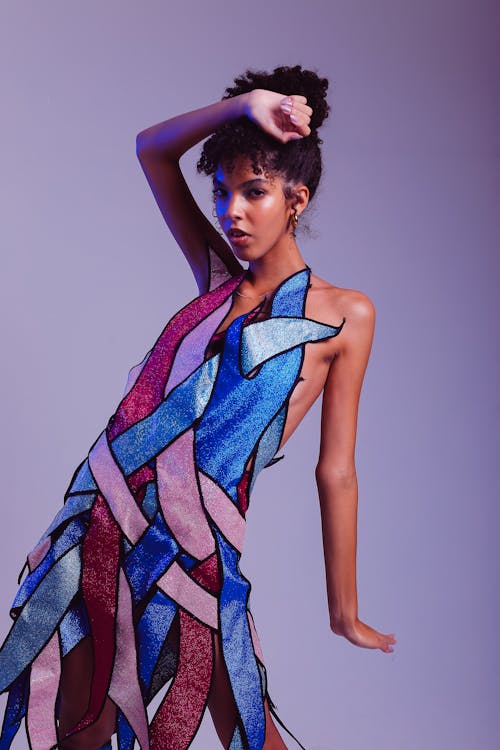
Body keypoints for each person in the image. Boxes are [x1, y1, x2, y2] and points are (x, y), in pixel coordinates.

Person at [0, 64, 396, 750]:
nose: (232, 212)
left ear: (296, 200)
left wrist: (345, 609)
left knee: (247, 727)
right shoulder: (216, 282)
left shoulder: (345, 314)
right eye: (221, 193)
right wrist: (244, 104)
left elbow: (337, 470)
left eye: (254, 192)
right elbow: (151, 149)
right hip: (100, 525)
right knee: (79, 732)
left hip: (196, 550)